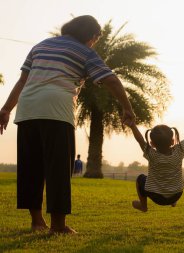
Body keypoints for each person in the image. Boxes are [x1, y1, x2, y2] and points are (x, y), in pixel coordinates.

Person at [0, 15, 135, 234]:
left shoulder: (40, 46)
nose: (94, 44)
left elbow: (23, 80)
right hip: (57, 109)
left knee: (31, 167)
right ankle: (58, 226)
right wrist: (127, 108)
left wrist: (6, 109)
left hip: (27, 109)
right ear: (91, 36)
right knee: (58, 169)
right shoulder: (85, 51)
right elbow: (110, 79)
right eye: (95, 40)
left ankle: (36, 222)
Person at [126, 118, 184, 212]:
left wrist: (133, 126)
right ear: (172, 141)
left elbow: (140, 140)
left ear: (152, 144)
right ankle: (173, 202)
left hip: (157, 197)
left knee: (140, 179)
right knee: (172, 185)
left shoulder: (151, 154)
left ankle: (143, 206)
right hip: (176, 195)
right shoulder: (180, 150)